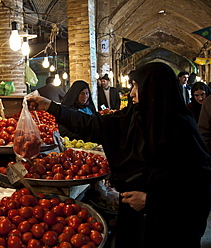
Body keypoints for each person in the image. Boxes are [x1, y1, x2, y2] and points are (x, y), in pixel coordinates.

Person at [28, 62, 211, 248]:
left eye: (137, 87)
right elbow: (91, 125)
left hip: (167, 225)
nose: (131, 93)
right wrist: (51, 107)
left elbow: (198, 187)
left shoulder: (181, 129)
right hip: (133, 214)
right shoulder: (132, 118)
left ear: (154, 89)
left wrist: (151, 201)